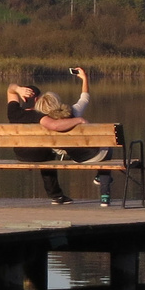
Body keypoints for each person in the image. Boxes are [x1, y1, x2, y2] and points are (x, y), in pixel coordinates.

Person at [34, 67, 114, 203]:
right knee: (107, 149)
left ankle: (57, 195)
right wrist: (84, 79)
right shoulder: (73, 112)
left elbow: (58, 149)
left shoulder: (43, 123)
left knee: (103, 152)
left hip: (78, 158)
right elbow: (85, 98)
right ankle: (104, 194)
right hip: (96, 155)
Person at [6, 83, 70, 204]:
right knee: (50, 155)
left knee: (46, 152)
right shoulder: (41, 116)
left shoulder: (13, 112)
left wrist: (18, 89)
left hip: (21, 155)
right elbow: (56, 126)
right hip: (40, 156)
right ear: (37, 99)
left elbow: (10, 90)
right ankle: (56, 195)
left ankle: (56, 196)